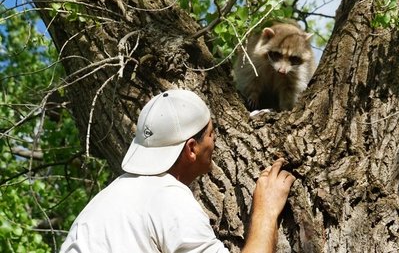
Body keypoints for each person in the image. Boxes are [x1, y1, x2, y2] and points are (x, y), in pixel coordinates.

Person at [60, 89, 296, 253]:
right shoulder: (169, 199)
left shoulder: (105, 200)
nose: (215, 142)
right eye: (212, 134)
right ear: (192, 149)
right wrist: (266, 210)